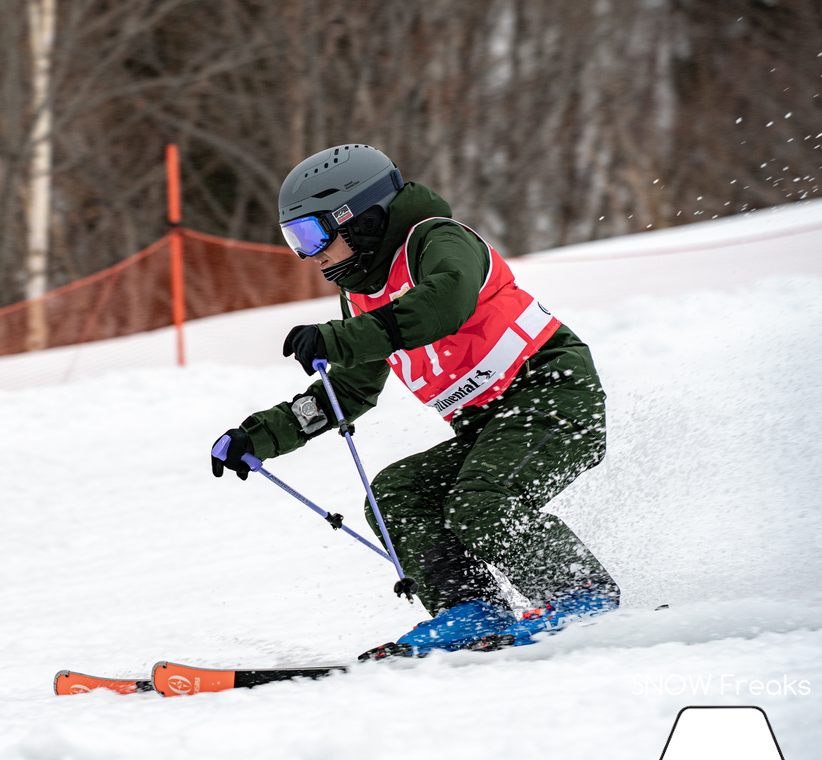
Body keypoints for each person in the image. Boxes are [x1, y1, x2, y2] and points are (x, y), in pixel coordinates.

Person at [211, 144, 619, 655]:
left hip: (553, 395)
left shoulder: (439, 241)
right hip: (485, 428)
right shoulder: (361, 292)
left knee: (480, 503)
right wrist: (261, 435)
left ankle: (580, 595)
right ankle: (470, 610)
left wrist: (342, 336)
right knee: (395, 495)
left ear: (358, 219)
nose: (310, 255)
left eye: (314, 235)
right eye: (295, 241)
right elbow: (351, 390)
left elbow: (445, 302)